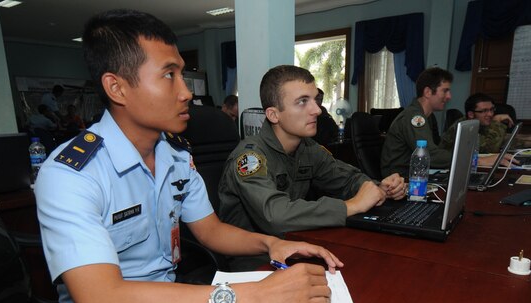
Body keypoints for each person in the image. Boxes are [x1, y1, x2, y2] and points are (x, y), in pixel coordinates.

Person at [35, 9, 342, 303]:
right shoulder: (71, 174)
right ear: (116, 87)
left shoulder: (176, 154)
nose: (186, 93)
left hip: (172, 299)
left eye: (182, 74)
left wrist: (270, 245)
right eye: (169, 75)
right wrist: (257, 295)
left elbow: (211, 231)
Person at [218, 65, 405, 271]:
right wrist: (352, 206)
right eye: (302, 102)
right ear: (273, 115)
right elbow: (275, 215)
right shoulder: (250, 158)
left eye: (315, 99)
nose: (317, 110)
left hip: (295, 244)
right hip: (253, 261)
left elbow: (347, 178)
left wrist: (379, 188)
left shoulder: (307, 148)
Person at [380, 67, 514, 178]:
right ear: (427, 92)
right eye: (445, 90)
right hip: (400, 180)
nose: (449, 96)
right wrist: (477, 160)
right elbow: (430, 154)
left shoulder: (428, 116)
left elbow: (436, 150)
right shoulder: (415, 117)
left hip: (417, 173)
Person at [441, 93, 531, 152]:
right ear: (471, 114)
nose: (490, 114)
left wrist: (527, 141)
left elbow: (501, 140)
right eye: (484, 111)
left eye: (492, 109)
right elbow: (490, 148)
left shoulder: (480, 123)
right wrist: (496, 122)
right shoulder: (465, 126)